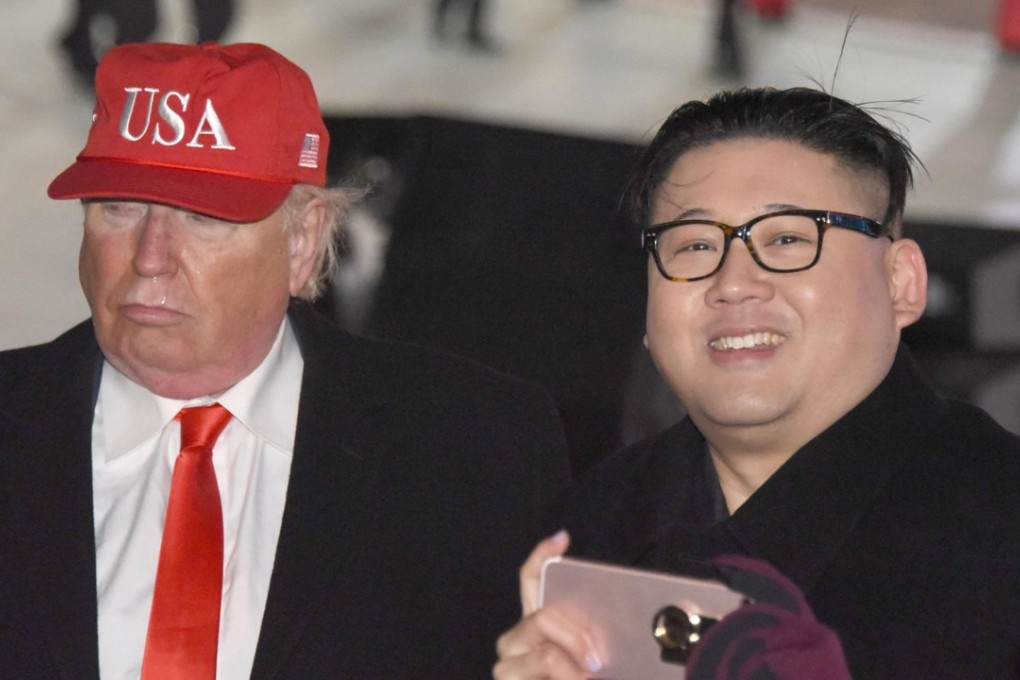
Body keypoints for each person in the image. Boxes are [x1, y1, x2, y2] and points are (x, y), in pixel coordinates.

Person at [0, 41, 570, 679]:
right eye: (120, 208)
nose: (150, 256)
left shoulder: (477, 449)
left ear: (302, 241)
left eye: (202, 215)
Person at [494, 86, 1020, 679]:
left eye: (788, 238)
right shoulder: (583, 537)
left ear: (901, 282)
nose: (733, 282)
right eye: (694, 246)